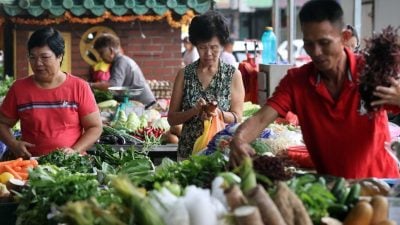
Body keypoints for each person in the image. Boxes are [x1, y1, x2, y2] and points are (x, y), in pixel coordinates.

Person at [230, 0, 400, 179]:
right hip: (334, 192)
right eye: (309, 44)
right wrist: (239, 139)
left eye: (324, 42)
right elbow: (261, 118)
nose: (316, 52)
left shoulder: (370, 72)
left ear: (345, 36)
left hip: (382, 187)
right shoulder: (296, 82)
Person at [0, 27, 102, 159]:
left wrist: (75, 151)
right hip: (31, 164)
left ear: (59, 56)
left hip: (70, 164)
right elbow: (2, 123)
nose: (38, 63)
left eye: (45, 57)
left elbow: (95, 127)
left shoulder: (79, 87)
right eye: (32, 57)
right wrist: (13, 144)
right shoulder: (19, 88)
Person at [168, 10, 245, 159]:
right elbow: (171, 118)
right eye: (203, 48)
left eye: (214, 47)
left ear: (222, 45)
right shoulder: (185, 74)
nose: (208, 53)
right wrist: (194, 111)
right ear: (196, 45)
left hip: (220, 154)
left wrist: (219, 114)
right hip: (188, 153)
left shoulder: (233, 75)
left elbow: (237, 116)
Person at [90, 33, 156, 108]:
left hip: (144, 105)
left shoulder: (120, 62)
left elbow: (113, 85)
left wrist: (90, 85)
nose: (100, 57)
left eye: (101, 53)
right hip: (143, 102)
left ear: (111, 51)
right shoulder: (122, 60)